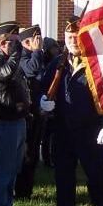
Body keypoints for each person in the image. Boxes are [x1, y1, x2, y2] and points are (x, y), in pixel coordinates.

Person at [40, 15, 103, 206]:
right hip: (63, 132)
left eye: (77, 36)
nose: (73, 41)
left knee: (96, 178)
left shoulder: (96, 64)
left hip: (90, 131)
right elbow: (41, 89)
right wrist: (42, 102)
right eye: (69, 37)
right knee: (64, 182)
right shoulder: (56, 64)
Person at [0, 21, 30, 206]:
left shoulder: (13, 60)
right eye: (13, 42)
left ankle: (7, 204)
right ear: (2, 43)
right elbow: (5, 74)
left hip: (18, 119)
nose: (17, 46)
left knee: (14, 166)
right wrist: (15, 54)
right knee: (3, 167)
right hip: (5, 121)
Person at [14, 24, 45, 199]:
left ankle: (27, 190)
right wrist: (37, 51)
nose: (39, 43)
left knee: (33, 154)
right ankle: (21, 191)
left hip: (38, 111)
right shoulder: (22, 57)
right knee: (25, 154)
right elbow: (31, 69)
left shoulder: (37, 55)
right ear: (27, 42)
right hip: (27, 113)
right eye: (35, 40)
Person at [39, 37, 62, 168]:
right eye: (53, 47)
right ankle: (48, 160)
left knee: (52, 134)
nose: (56, 50)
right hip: (47, 100)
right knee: (47, 135)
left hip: (53, 102)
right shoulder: (46, 62)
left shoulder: (57, 60)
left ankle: (52, 158)